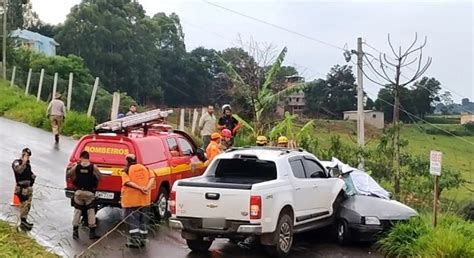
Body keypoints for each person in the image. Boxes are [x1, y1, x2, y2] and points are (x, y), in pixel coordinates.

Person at [121, 154, 156, 248]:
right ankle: (143, 240)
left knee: (133, 220)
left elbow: (127, 182)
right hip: (145, 200)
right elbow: (152, 178)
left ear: (127, 161)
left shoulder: (126, 171)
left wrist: (140, 188)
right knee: (143, 220)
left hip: (131, 201)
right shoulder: (145, 168)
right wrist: (146, 188)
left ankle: (135, 241)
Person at [67, 151, 101, 240]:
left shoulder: (77, 167)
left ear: (81, 157)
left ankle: (75, 232)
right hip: (89, 193)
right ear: (88, 157)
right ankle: (92, 233)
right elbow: (100, 178)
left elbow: (69, 175)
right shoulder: (93, 167)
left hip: (78, 192)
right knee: (91, 211)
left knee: (77, 210)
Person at [12, 148, 36, 231]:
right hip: (21, 188)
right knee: (24, 205)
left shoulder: (28, 165)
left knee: (27, 205)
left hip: (28, 188)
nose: (27, 157)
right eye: (25, 155)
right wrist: (24, 162)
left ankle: (24, 220)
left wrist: (33, 177)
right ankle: (23, 222)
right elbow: (19, 171)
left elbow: (29, 174)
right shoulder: (16, 163)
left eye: (28, 156)